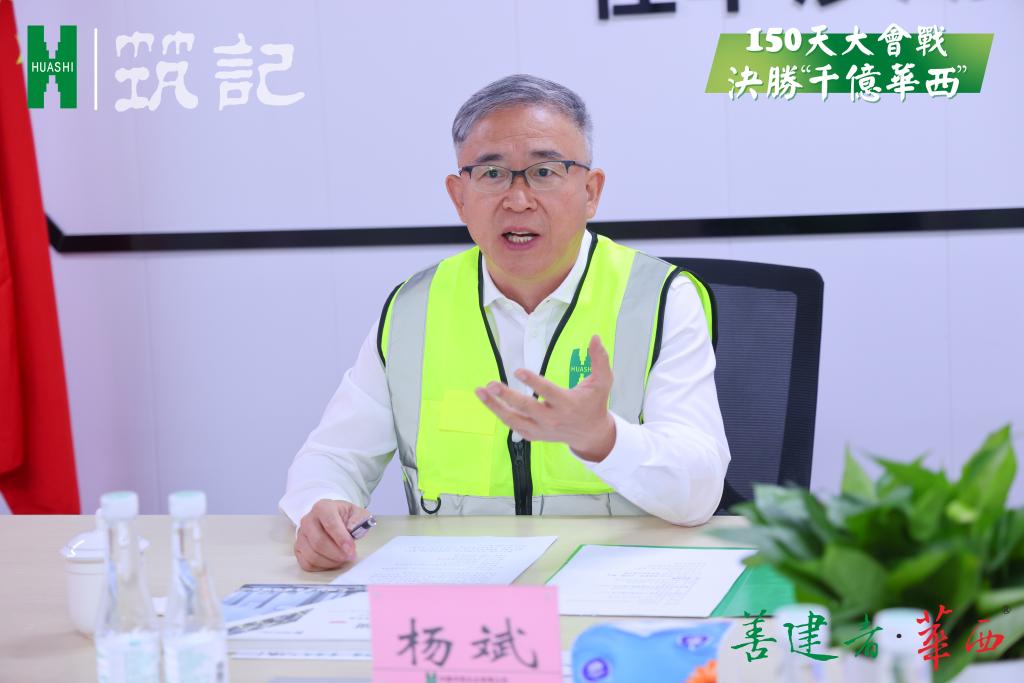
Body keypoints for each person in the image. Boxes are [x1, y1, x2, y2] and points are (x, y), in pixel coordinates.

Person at [280, 74, 731, 572]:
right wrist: (320, 508)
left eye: (545, 171)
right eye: (492, 174)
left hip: (618, 585)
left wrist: (604, 439)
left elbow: (699, 493)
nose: (518, 200)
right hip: (459, 592)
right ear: (459, 197)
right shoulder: (414, 308)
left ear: (591, 191)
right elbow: (332, 457)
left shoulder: (661, 298)